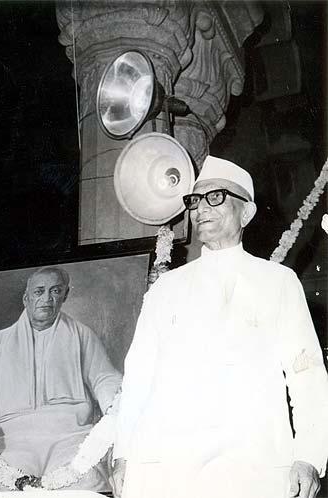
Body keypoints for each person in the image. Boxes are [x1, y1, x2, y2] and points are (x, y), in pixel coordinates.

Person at [112, 156, 328, 498]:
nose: (200, 209)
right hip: (170, 465)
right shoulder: (166, 289)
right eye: (195, 201)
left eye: (216, 197)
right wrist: (123, 452)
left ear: (247, 213)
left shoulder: (279, 283)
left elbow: (307, 375)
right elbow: (138, 376)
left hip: (251, 464)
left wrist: (309, 456)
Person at [0, 266, 122, 491]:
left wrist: (115, 415)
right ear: (26, 298)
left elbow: (105, 379)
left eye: (55, 291)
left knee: (89, 482)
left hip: (71, 438)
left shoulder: (82, 335)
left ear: (65, 295)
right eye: (39, 291)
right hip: (9, 441)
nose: (47, 298)